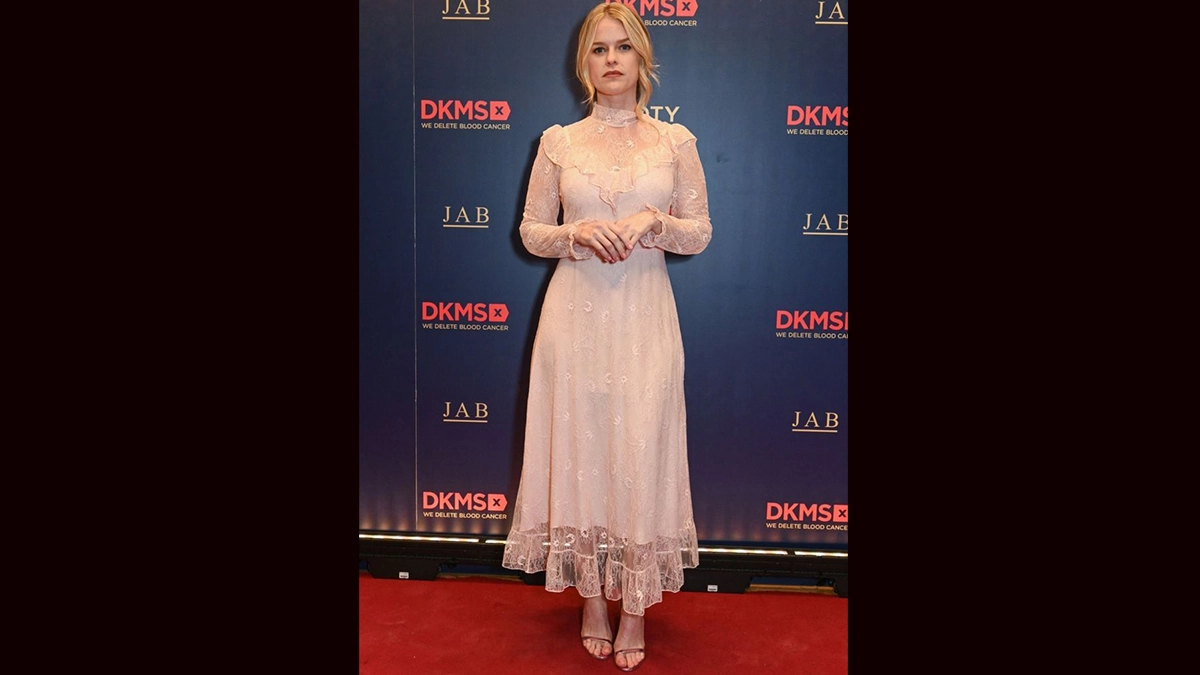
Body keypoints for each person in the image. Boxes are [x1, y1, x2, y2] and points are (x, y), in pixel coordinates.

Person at [501, 2, 713, 671]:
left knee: (641, 452)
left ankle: (636, 606)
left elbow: (699, 231)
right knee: (580, 453)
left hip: (645, 320)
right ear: (584, 63)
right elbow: (531, 231)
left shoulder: (675, 142)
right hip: (574, 320)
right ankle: (592, 598)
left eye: (623, 46)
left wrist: (655, 221)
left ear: (642, 58)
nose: (611, 59)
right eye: (599, 48)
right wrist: (575, 232)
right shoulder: (558, 142)